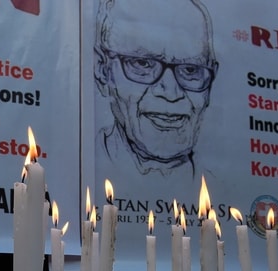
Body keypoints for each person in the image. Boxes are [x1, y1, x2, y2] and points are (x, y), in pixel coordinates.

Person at [94, 0, 219, 178]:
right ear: (102, 69)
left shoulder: (222, 189)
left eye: (191, 69)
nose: (170, 93)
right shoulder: (73, 176)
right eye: (143, 63)